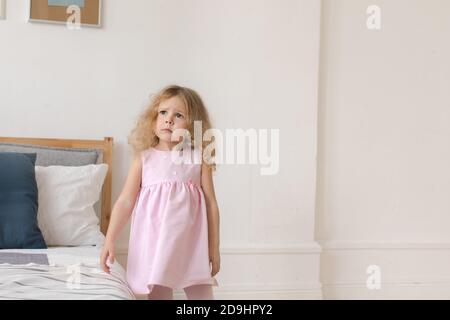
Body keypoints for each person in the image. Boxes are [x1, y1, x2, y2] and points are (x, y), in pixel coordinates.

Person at [100, 85, 220, 300]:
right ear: (152, 119)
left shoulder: (197, 158)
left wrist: (214, 247)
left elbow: (211, 204)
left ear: (193, 126)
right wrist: (109, 239)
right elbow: (126, 201)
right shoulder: (144, 158)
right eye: (163, 112)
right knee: (158, 292)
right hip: (154, 243)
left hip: (191, 245)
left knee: (201, 294)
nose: (169, 119)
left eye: (179, 115)